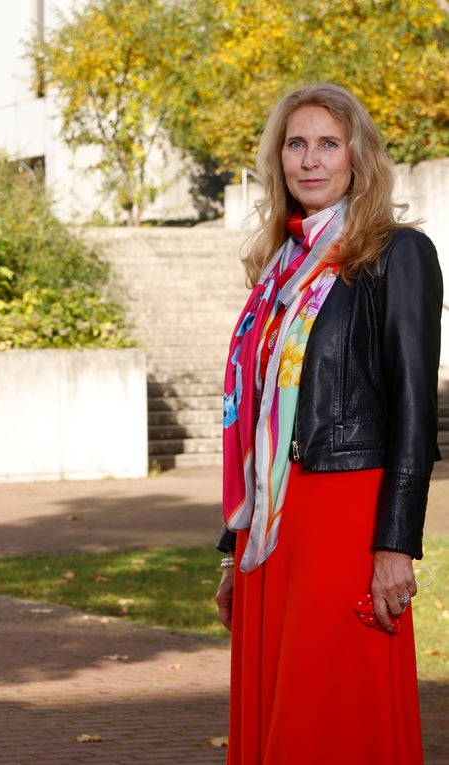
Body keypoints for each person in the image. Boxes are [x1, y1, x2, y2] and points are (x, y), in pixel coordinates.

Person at [215, 83, 441, 764]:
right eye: (295, 143)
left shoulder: (396, 254)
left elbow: (413, 409)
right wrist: (234, 544)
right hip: (273, 526)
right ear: (278, 158)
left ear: (357, 157)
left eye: (328, 143)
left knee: (334, 708)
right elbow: (254, 414)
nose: (310, 160)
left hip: (345, 510)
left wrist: (396, 544)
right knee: (281, 705)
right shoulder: (278, 269)